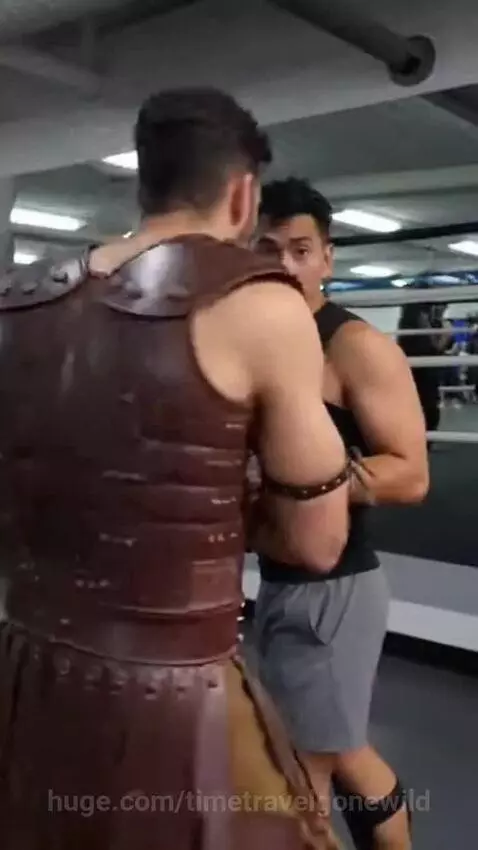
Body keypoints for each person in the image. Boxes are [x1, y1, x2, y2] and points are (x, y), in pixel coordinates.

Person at [0, 91, 352, 850]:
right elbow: (320, 543)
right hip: (171, 690)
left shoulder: (21, 299)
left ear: (144, 181)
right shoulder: (261, 301)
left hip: (27, 666)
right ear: (242, 193)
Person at [252, 178, 429, 850]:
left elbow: (410, 473)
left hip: (335, 593)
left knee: (301, 778)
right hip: (279, 580)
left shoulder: (354, 347)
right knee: (344, 751)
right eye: (269, 250)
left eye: (300, 249)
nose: (285, 265)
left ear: (327, 257)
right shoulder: (264, 342)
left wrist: (305, 484)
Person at [398, 299, 452, 435]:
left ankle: (421, 438)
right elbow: (436, 346)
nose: (440, 309)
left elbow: (438, 347)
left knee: (423, 405)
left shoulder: (415, 320)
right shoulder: (420, 319)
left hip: (421, 369)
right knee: (425, 406)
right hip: (420, 370)